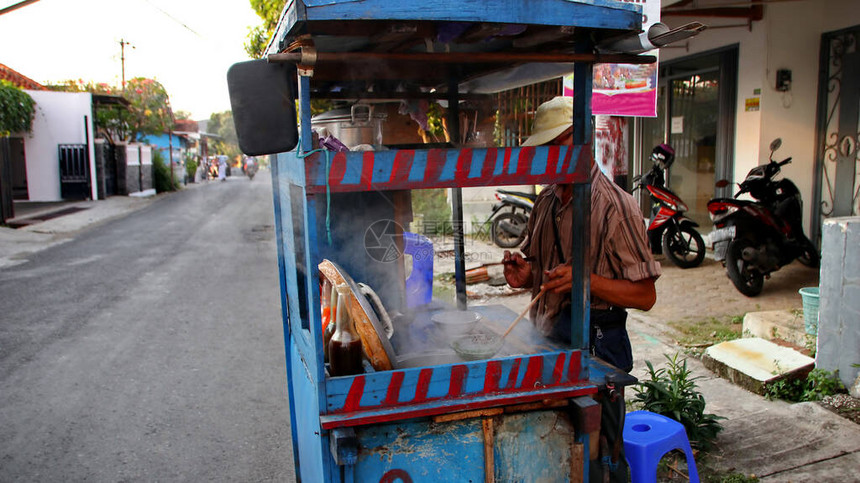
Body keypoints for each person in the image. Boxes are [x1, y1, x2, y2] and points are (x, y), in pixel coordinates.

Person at [502, 96, 661, 483]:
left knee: (599, 454)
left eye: (554, 148)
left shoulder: (615, 207)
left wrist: (584, 280)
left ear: (582, 142)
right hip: (549, 336)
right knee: (555, 446)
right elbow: (543, 270)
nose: (547, 158)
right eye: (544, 150)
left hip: (597, 344)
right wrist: (526, 275)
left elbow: (645, 296)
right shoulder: (546, 201)